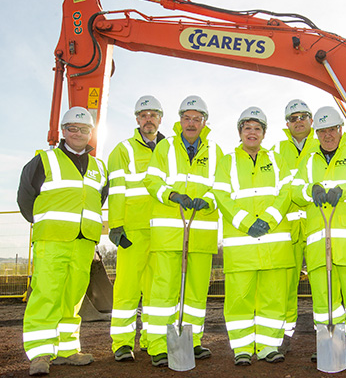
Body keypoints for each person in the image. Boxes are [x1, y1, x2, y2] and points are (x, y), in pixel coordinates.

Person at [17, 106, 108, 376]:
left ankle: (67, 349)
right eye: (72, 128)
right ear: (63, 131)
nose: (78, 133)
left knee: (73, 296)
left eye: (83, 129)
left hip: (83, 242)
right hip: (52, 240)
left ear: (91, 133)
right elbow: (25, 199)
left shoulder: (99, 167)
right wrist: (46, 222)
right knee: (47, 293)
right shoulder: (43, 161)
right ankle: (40, 353)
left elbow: (97, 199)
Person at [291, 106, 346, 365]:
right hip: (319, 245)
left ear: (341, 130)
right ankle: (328, 343)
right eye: (323, 130)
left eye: (332, 129)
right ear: (316, 133)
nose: (328, 135)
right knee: (324, 301)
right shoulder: (308, 161)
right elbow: (295, 191)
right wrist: (311, 190)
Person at [143, 95, 223, 367]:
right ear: (180, 120)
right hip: (168, 232)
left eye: (196, 119)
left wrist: (209, 200)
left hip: (201, 234)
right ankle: (157, 345)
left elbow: (222, 187)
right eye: (187, 118)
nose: (191, 123)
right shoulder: (164, 147)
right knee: (163, 290)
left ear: (204, 122)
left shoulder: (216, 151)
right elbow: (152, 180)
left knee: (196, 292)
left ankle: (193, 340)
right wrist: (171, 194)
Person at [212, 107, 294, 366]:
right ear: (240, 132)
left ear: (264, 133)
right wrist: (247, 223)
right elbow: (222, 197)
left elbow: (287, 192)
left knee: (273, 297)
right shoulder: (227, 161)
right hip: (241, 244)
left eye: (257, 128)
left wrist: (268, 220)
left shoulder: (278, 160)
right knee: (239, 298)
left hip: (274, 243)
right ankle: (242, 348)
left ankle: (269, 346)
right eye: (247, 128)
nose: (252, 132)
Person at [107, 95, 166, 361]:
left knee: (158, 290)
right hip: (133, 231)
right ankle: (122, 343)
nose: (148, 119)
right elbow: (117, 190)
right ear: (136, 119)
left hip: (164, 231)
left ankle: (155, 344)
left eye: (153, 114)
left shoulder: (170, 149)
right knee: (127, 288)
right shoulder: (123, 150)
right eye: (144, 115)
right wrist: (117, 225)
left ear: (160, 118)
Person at [271, 99, 320, 351]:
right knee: (285, 286)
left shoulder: (324, 141)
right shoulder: (276, 150)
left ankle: (328, 339)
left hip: (317, 224)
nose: (298, 121)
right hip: (287, 228)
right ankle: (283, 338)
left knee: (324, 284)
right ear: (287, 123)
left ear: (311, 120)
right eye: (293, 118)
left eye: (303, 116)